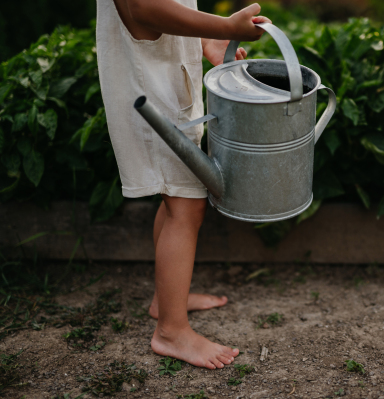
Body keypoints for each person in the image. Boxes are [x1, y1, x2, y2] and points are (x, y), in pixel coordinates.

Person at [96, 0, 271, 369]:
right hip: (149, 82)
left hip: (163, 73)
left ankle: (166, 301)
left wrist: (203, 40)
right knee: (185, 205)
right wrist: (225, 26)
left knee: (176, 197)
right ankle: (171, 331)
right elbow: (143, 8)